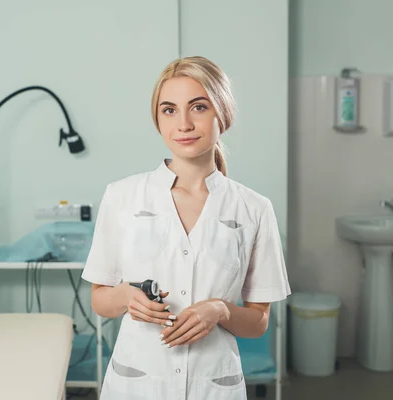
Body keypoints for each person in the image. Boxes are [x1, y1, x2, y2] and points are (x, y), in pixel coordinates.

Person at [81, 56, 291, 400]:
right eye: (169, 110)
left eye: (198, 107)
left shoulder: (254, 208)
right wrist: (125, 296)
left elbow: (258, 322)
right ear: (158, 120)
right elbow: (101, 301)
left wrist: (220, 310)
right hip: (136, 383)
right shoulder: (121, 196)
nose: (184, 124)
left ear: (222, 113)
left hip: (213, 386)